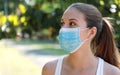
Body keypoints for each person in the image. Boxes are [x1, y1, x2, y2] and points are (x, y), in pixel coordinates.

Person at [42, 3, 120, 75]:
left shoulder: (112, 73)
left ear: (91, 32)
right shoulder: (50, 69)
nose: (63, 29)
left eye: (72, 23)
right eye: (63, 23)